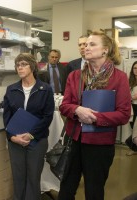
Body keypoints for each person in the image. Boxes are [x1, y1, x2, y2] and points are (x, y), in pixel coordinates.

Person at [58, 31, 131, 200]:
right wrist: (77, 110)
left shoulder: (119, 78)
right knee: (66, 188)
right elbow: (64, 106)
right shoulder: (75, 76)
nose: (86, 48)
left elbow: (124, 114)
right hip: (73, 140)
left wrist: (96, 117)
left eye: (92, 44)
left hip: (100, 144)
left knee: (94, 190)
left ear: (105, 50)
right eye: (84, 45)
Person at [3, 53, 55, 200]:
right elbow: (6, 117)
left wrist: (31, 134)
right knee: (18, 177)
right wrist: (12, 137)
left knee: (33, 178)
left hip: (36, 140)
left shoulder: (45, 89)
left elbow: (47, 117)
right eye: (18, 65)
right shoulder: (11, 89)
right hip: (15, 140)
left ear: (32, 66)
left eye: (24, 64)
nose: (20, 68)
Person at [129, 61, 137, 128]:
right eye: (135, 68)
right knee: (133, 126)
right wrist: (131, 98)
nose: (136, 70)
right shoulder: (130, 81)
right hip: (132, 107)